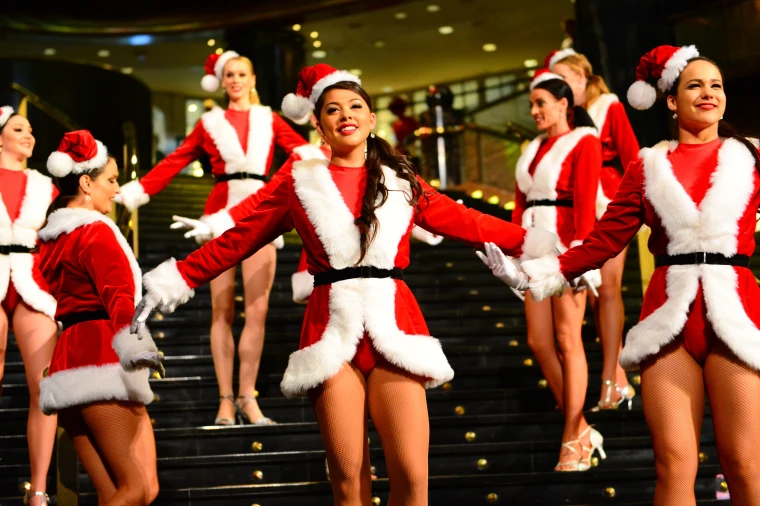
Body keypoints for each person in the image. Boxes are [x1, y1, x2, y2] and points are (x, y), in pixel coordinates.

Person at [131, 64, 552, 506]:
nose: (345, 115)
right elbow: (237, 241)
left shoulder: (401, 182)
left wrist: (538, 246)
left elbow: (467, 220)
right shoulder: (298, 184)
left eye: (355, 106)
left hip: (396, 327)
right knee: (348, 481)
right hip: (330, 331)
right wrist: (174, 279)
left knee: (411, 475)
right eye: (332, 109)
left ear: (371, 119)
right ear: (318, 124)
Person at [515, 45, 760, 506]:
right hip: (667, 323)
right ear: (671, 100)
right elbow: (602, 241)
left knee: (743, 464)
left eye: (715, 85)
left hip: (737, 318)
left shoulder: (753, 157)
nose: (708, 93)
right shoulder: (646, 166)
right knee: (673, 467)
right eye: (694, 84)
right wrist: (544, 273)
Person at [116, 50, 316, 426]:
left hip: (263, 213)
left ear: (253, 79)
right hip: (217, 216)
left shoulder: (268, 119)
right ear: (222, 82)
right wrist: (137, 190)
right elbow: (175, 160)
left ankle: (247, 399)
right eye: (230, 75)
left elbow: (303, 154)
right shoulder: (208, 122)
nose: (236, 80)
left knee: (257, 313)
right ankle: (225, 401)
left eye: (243, 73)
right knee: (221, 314)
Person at [38, 130, 163, 506]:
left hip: (69, 361)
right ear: (86, 183)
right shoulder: (95, 231)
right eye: (111, 180)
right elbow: (119, 295)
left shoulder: (54, 239)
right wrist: (136, 345)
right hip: (102, 357)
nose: (118, 188)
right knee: (134, 489)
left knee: (133, 490)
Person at [507, 69, 604, 471]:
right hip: (532, 248)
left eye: (540, 103)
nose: (534, 111)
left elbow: (584, 203)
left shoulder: (584, 140)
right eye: (531, 104)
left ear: (565, 104)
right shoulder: (531, 147)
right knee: (538, 341)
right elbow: (518, 203)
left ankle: (571, 438)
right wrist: (512, 251)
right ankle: (580, 427)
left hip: (566, 248)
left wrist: (581, 256)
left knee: (568, 340)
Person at [548, 48, 641, 411]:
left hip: (609, 204)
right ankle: (585, 385)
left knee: (609, 292)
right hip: (574, 206)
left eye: (565, 79)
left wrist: (630, 207)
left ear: (582, 77)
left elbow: (633, 156)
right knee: (581, 297)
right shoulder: (561, 116)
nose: (560, 87)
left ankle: (615, 376)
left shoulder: (609, 106)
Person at [0, 106, 58, 506]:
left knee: (45, 386)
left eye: (32, 130)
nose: (29, 135)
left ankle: (38, 492)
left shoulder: (44, 185)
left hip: (31, 279)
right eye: (18, 128)